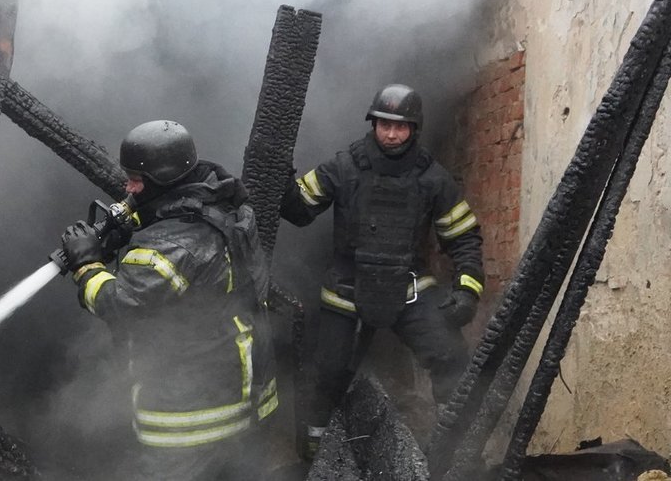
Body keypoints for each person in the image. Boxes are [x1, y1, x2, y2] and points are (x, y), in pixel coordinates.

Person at [59, 120, 279, 480]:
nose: (127, 187)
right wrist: (134, 226)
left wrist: (87, 266)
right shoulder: (225, 206)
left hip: (189, 414)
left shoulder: (164, 247)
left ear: (162, 179)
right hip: (247, 389)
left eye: (135, 180)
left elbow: (120, 305)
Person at [280, 84, 484, 457]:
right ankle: (314, 453)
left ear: (414, 129)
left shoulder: (433, 178)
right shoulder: (343, 166)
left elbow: (465, 237)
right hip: (347, 287)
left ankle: (456, 451)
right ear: (373, 124)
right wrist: (278, 171)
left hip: (408, 288)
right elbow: (297, 211)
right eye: (385, 124)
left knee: (451, 356)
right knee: (328, 373)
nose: (391, 133)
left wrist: (467, 288)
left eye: (401, 126)